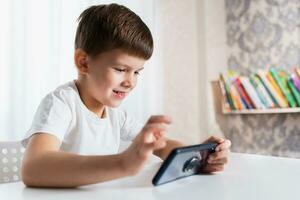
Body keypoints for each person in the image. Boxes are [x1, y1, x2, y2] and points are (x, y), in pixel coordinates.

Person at [21, 3, 231, 188]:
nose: (130, 82)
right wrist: (123, 163)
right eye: (121, 69)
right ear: (83, 62)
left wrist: (201, 156)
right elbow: (33, 168)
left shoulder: (115, 114)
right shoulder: (61, 103)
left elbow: (164, 146)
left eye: (137, 72)